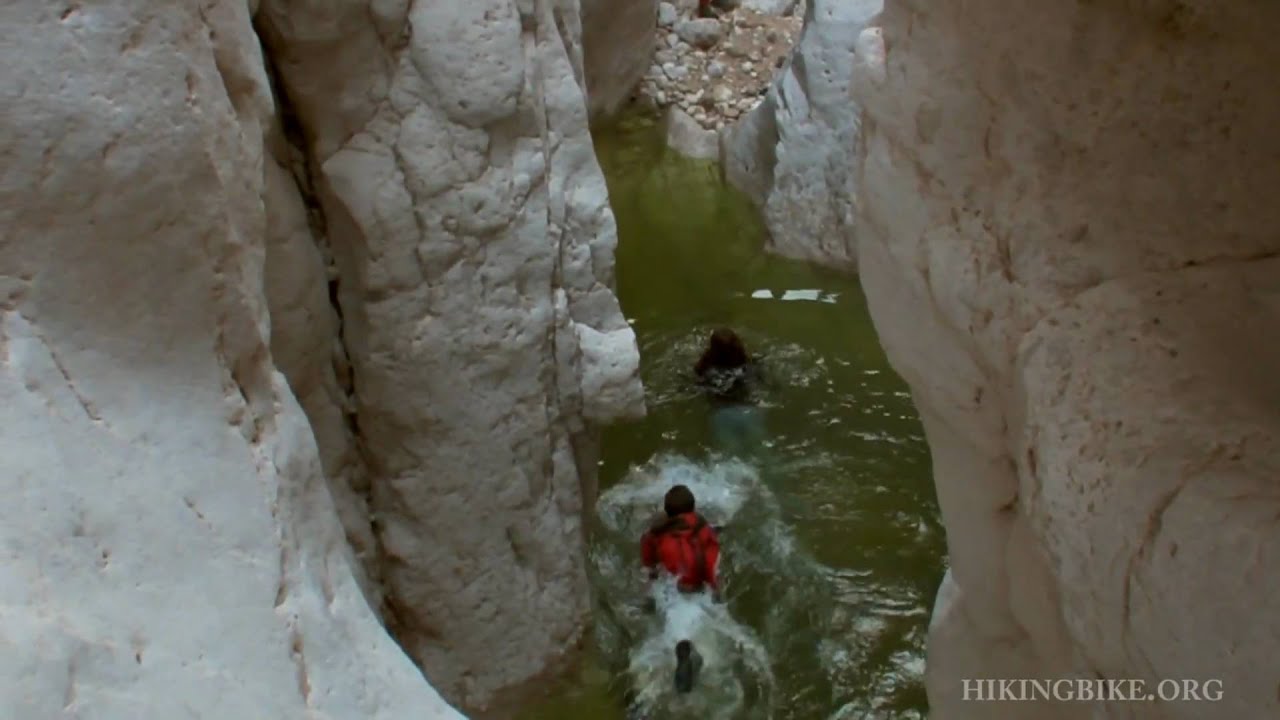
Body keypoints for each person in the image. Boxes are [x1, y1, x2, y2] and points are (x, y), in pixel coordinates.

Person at [640, 485, 721, 694]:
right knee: (705, 628)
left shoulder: (655, 534)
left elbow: (650, 566)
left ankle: (682, 647)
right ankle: (693, 653)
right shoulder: (705, 530)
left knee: (672, 619)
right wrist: (716, 591)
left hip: (673, 589)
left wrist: (648, 597)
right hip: (699, 589)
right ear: (693, 508)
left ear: (667, 512)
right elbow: (711, 566)